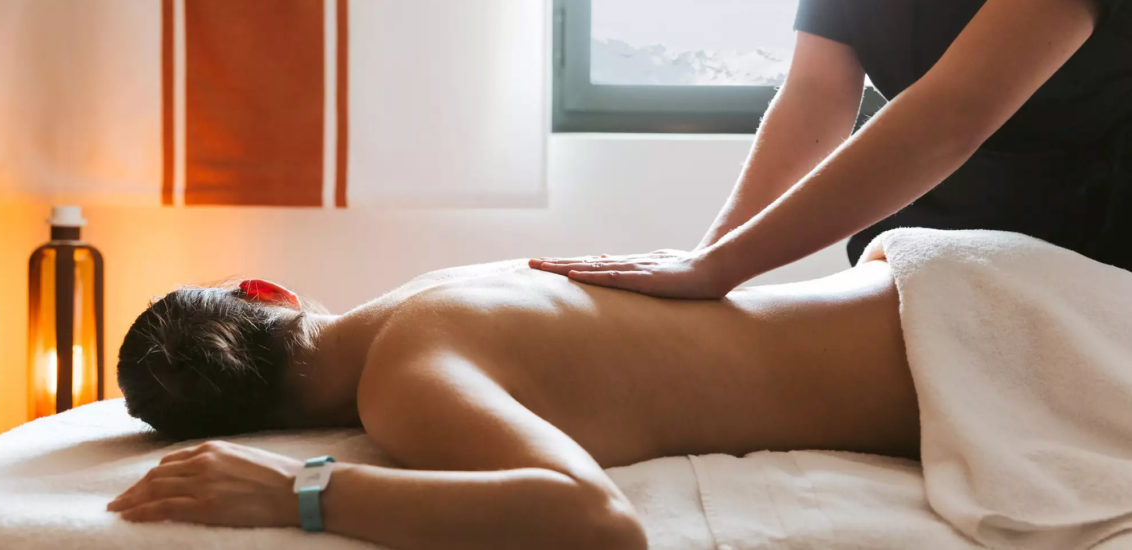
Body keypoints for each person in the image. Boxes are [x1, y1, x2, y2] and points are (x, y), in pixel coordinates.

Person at [108, 256, 916, 549]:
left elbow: (597, 522)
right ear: (268, 291)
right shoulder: (432, 296)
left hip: (955, 347)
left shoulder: (406, 377)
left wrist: (297, 491)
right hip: (924, 288)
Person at [531, 0, 1131, 298]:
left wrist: (719, 268)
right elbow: (814, 98)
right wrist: (710, 260)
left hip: (1082, 267)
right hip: (921, 259)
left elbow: (950, 116)